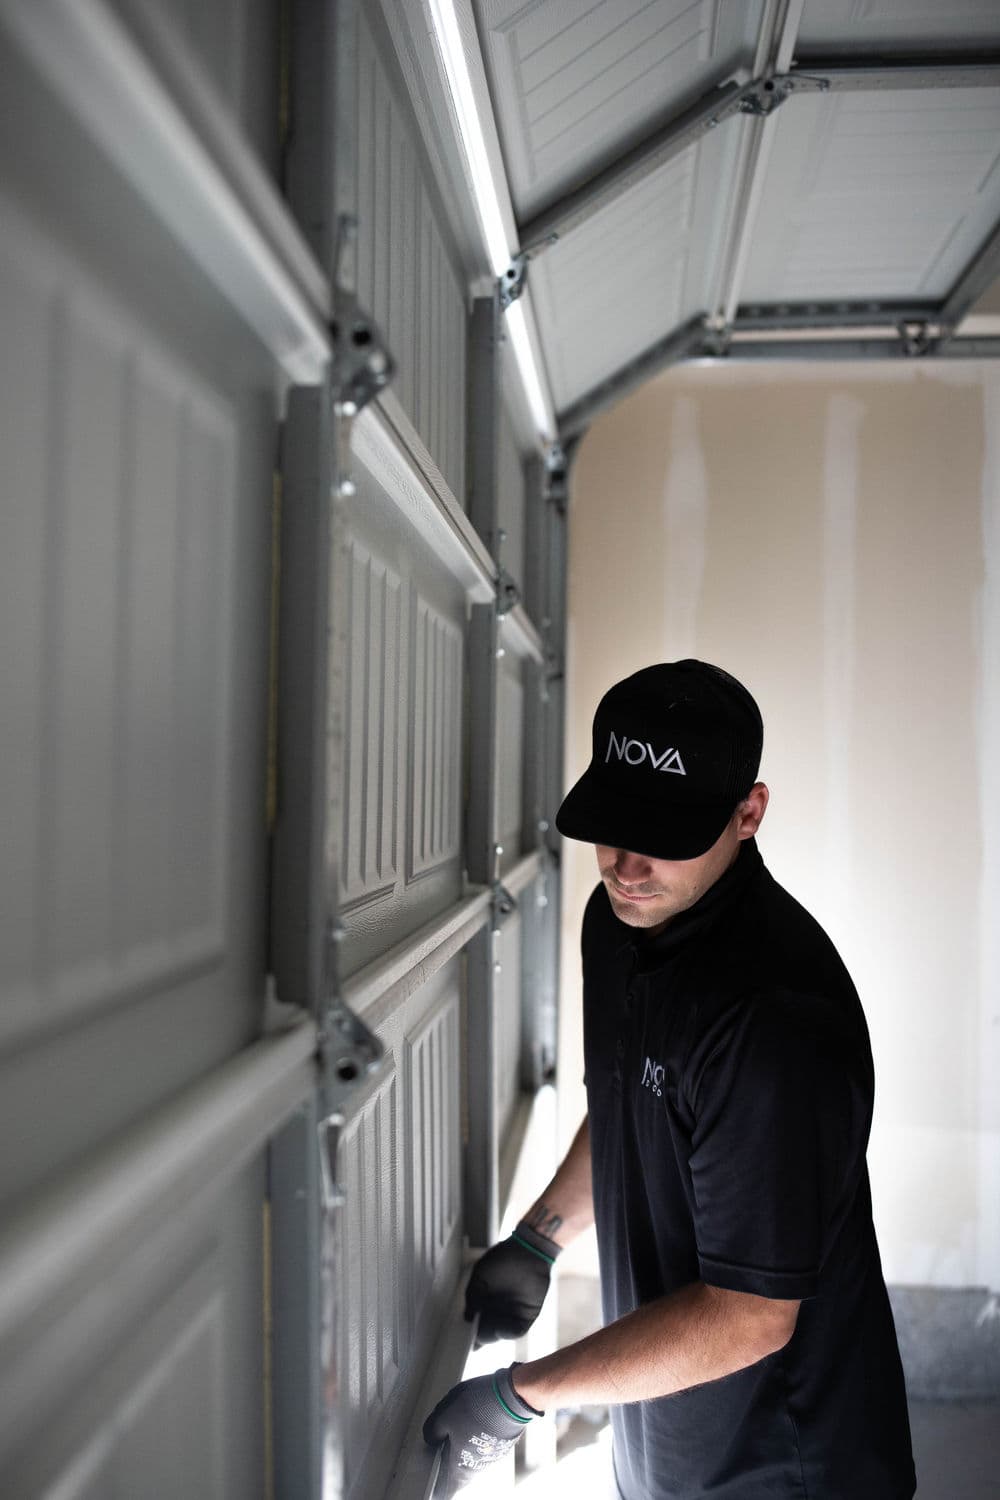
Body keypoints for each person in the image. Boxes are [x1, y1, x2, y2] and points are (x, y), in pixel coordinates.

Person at [424, 660, 916, 1498]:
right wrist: (541, 1238)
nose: (625, 864)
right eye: (614, 825)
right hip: (667, 1430)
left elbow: (748, 1318)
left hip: (785, 1463)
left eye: (665, 834)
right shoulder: (615, 926)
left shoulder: (772, 1017)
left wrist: (521, 1397)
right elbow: (631, 1108)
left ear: (748, 812)